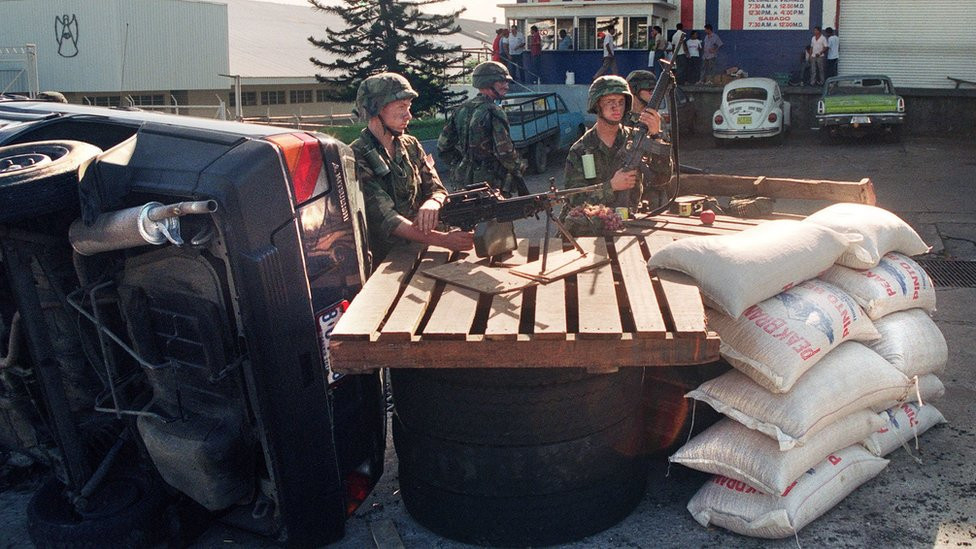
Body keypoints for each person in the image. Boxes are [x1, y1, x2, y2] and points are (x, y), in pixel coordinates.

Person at [351, 73, 473, 262]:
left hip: (426, 249)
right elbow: (387, 219)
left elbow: (437, 189)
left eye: (408, 107)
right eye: (401, 107)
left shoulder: (411, 144)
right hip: (390, 259)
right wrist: (444, 240)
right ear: (375, 109)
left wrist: (433, 203)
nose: (408, 115)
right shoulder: (357, 155)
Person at [563, 75, 672, 215]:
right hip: (591, 227)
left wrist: (656, 135)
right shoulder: (581, 149)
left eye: (621, 102)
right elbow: (575, 201)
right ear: (597, 105)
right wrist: (612, 186)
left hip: (632, 222)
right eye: (610, 102)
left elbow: (661, 179)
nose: (617, 108)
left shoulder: (636, 140)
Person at [437, 61, 524, 196]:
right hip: (490, 184)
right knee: (497, 216)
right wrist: (519, 167)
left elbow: (443, 147)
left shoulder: (461, 109)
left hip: (463, 182)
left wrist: (461, 165)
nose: (506, 86)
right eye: (501, 82)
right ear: (488, 82)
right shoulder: (494, 111)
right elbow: (505, 152)